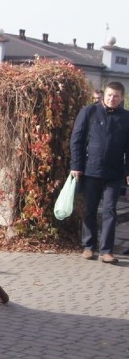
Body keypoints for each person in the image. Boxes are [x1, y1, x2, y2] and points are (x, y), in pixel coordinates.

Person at [70, 81, 129, 264]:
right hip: (91, 170)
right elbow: (77, 140)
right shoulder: (89, 112)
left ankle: (106, 251)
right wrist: (76, 165)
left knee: (110, 210)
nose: (112, 99)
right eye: (110, 95)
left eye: (116, 96)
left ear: (122, 98)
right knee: (90, 209)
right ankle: (89, 247)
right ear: (104, 95)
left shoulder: (126, 117)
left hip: (114, 172)